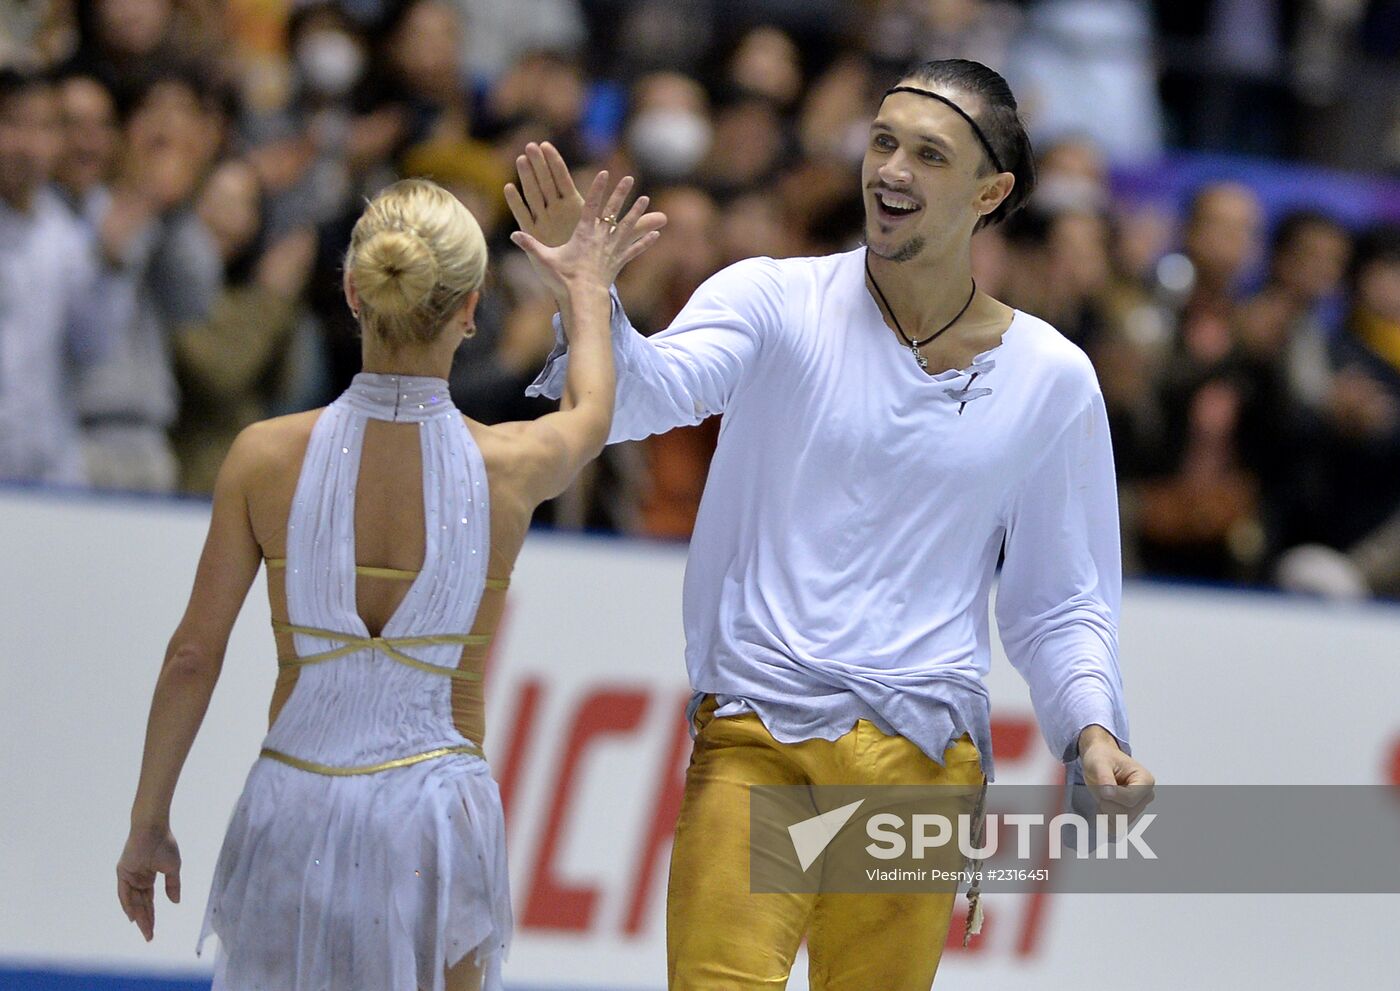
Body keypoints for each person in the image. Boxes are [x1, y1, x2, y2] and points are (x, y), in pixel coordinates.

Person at [508, 57, 1154, 990]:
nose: (890, 170)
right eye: (882, 142)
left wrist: (1092, 729)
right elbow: (642, 395)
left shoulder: (1051, 379)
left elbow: (1059, 602)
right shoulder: (775, 299)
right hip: (758, 733)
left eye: (928, 155)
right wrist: (590, 299)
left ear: (991, 192)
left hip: (924, 761)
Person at [114, 173, 664, 989]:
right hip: (433, 819)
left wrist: (148, 820)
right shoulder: (508, 464)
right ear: (472, 310)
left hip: (292, 799)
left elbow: (193, 655)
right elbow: (592, 408)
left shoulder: (262, 457)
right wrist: (584, 285)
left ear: (353, 292)